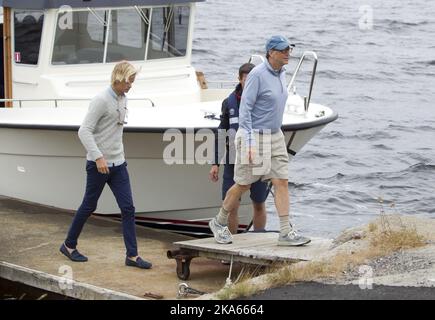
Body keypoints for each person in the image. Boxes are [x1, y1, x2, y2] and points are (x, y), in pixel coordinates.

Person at [209, 36, 311, 246]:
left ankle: (284, 232)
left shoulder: (282, 73)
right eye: (283, 50)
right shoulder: (257, 75)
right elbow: (245, 110)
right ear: (270, 52)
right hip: (254, 135)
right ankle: (219, 222)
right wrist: (248, 142)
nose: (287, 53)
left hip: (275, 135)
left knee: (281, 180)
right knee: (244, 183)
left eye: (289, 49)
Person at [60, 61, 152, 269]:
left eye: (133, 81)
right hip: (98, 165)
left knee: (128, 208)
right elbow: (84, 131)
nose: (131, 85)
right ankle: (69, 245)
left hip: (119, 164)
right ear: (119, 78)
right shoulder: (101, 100)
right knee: (89, 206)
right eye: (129, 80)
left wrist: (114, 156)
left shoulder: (123, 98)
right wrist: (98, 157)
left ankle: (132, 256)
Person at [209, 63, 268, 235]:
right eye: (245, 80)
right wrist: (215, 163)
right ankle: (230, 244)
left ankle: (258, 242)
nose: (248, 84)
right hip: (233, 159)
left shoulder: (263, 102)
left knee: (258, 202)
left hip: (257, 158)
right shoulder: (229, 102)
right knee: (231, 205)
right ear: (240, 79)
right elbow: (221, 133)